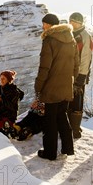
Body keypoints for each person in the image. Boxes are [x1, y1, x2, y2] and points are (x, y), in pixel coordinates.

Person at [34, 13, 79, 160]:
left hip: (51, 88)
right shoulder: (71, 39)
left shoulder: (49, 40)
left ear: (49, 25)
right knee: (62, 116)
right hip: (66, 86)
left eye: (44, 24)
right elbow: (76, 65)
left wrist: (38, 86)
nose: (43, 26)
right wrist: (69, 80)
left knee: (50, 121)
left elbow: (44, 67)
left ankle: (50, 152)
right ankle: (68, 148)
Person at [68, 12, 93, 139]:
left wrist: (81, 77)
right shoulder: (69, 34)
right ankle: (68, 127)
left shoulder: (84, 36)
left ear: (81, 23)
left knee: (77, 101)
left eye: (76, 22)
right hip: (68, 73)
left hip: (79, 75)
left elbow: (85, 57)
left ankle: (75, 129)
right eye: (71, 21)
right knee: (67, 100)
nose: (73, 23)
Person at [0, 70, 24, 135]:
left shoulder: (14, 92)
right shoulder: (0, 89)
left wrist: (1, 100)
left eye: (3, 79)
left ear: (9, 80)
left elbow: (13, 107)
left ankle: (8, 129)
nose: (1, 80)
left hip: (9, 117)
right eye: (0, 78)